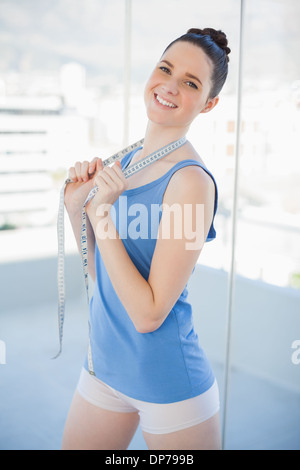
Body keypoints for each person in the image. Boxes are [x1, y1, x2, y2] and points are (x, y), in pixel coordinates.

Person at [61, 27, 231, 450]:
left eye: (190, 83)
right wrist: (76, 209)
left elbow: (149, 314)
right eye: (165, 69)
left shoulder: (191, 182)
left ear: (209, 104)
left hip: (169, 386)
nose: (169, 86)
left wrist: (101, 216)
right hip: (102, 367)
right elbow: (104, 280)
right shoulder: (128, 161)